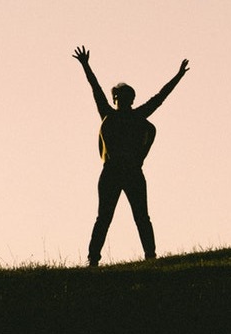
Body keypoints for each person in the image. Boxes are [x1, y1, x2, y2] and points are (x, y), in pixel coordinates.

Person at [73, 46, 189, 266]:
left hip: (130, 171)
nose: (123, 100)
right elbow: (95, 88)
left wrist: (179, 76)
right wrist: (86, 66)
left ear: (131, 99)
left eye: (127, 96)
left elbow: (160, 96)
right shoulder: (112, 114)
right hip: (114, 171)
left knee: (139, 216)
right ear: (116, 98)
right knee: (106, 217)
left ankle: (149, 256)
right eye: (120, 96)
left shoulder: (133, 116)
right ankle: (94, 259)